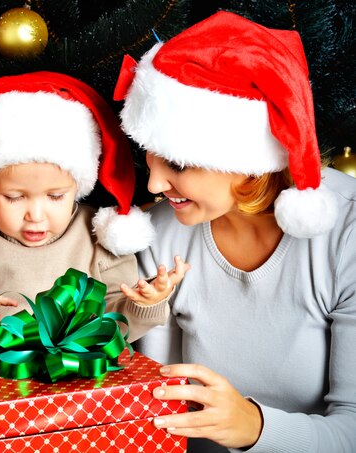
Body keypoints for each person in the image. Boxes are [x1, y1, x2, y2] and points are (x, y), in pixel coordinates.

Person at [114, 10, 356, 453]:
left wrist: (254, 427)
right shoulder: (165, 235)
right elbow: (154, 409)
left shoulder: (346, 234)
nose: (152, 184)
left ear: (247, 161)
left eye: (180, 164)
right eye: (149, 155)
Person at [0, 71, 190, 341]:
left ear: (77, 188)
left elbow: (115, 327)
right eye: (14, 197)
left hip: (77, 386)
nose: (35, 215)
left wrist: (142, 304)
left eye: (55, 196)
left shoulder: (97, 238)